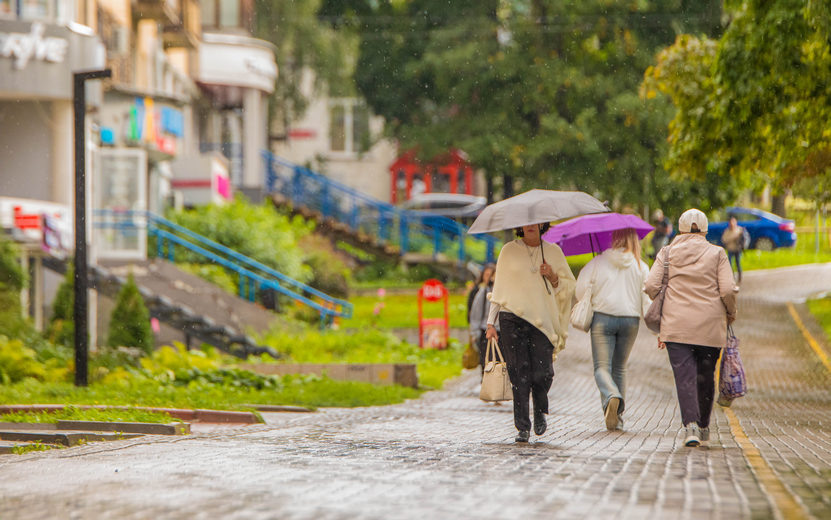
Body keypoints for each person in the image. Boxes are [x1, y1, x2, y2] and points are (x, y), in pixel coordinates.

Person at [644, 208, 737, 447]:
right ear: (704, 229)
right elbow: (728, 290)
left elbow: (651, 286)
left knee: (684, 377)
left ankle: (691, 427)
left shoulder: (667, 252)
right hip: (710, 326)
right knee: (706, 375)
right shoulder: (718, 253)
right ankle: (704, 426)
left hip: (676, 327)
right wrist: (731, 313)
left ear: (681, 228)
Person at [485, 223, 576, 443]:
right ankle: (522, 426)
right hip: (511, 318)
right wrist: (490, 323)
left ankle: (540, 409)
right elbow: (499, 289)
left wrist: (552, 276)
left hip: (542, 321)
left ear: (542, 224)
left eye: (535, 222)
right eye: (526, 222)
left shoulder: (553, 251)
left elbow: (567, 287)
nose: (530, 226)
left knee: (543, 373)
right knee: (519, 372)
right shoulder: (508, 251)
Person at [575, 228, 650, 431]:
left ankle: (611, 396)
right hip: (630, 320)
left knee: (601, 368)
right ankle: (617, 417)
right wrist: (657, 328)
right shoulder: (640, 266)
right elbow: (648, 297)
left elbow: (580, 290)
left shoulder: (598, 262)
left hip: (603, 318)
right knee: (620, 367)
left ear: (613, 237)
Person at [468, 263, 496, 372]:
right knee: (486, 362)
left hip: (500, 332)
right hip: (485, 331)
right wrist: (475, 333)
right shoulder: (482, 291)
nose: (490, 278)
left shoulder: (503, 293)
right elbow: (475, 312)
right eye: (487, 275)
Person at [721, 215, 748, 283]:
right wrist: (733, 238)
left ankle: (739, 277)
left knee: (738, 263)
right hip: (730, 249)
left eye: (733, 222)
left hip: (738, 249)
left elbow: (745, 239)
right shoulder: (727, 231)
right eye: (730, 222)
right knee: (730, 264)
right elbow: (724, 240)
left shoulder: (740, 230)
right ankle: (732, 277)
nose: (732, 224)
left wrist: (743, 245)